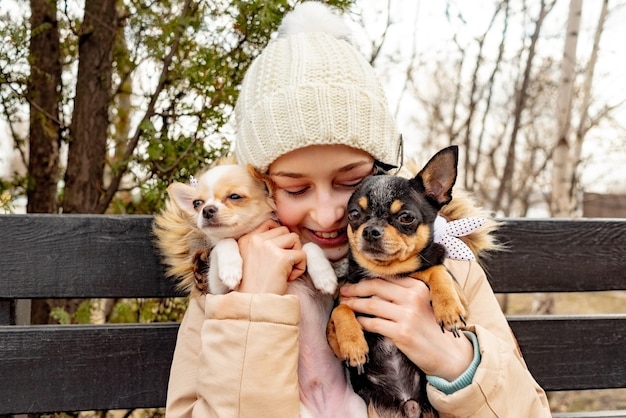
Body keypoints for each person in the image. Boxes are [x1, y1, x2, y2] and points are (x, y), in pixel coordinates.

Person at [165, 2, 551, 417]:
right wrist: (255, 309)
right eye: (296, 188)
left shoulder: (451, 264)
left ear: (384, 169)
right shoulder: (226, 282)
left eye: (351, 183)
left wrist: (454, 361)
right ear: (262, 189)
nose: (330, 213)